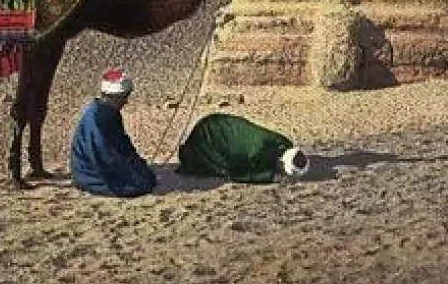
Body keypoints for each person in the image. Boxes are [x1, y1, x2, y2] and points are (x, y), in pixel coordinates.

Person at [69, 67, 157, 198]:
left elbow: (122, 144)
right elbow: (103, 154)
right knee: (141, 185)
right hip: (90, 173)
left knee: (146, 176)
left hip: (103, 166)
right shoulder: (98, 117)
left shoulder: (109, 112)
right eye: (123, 97)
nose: (126, 102)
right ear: (114, 97)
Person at [175, 112, 310, 184]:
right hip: (211, 133)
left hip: (220, 124)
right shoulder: (257, 153)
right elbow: (238, 175)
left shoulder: (285, 143)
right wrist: (268, 177)